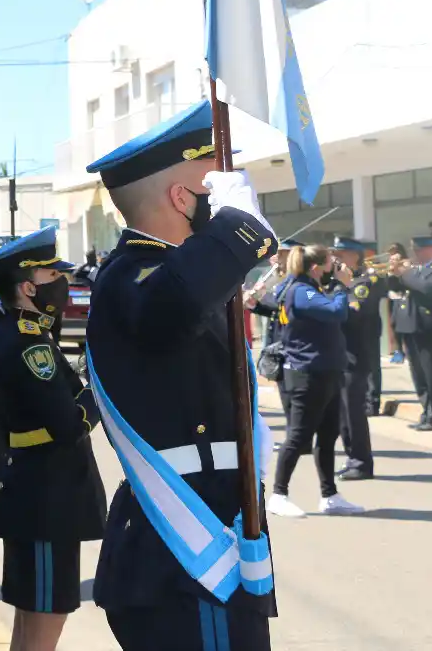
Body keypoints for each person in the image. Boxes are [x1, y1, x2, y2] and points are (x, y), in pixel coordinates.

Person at [83, 101, 277, 650]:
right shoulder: (134, 275)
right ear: (181, 198)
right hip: (184, 546)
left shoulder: (168, 273)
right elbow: (173, 306)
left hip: (212, 524)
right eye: (215, 187)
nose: (229, 197)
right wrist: (240, 231)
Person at [0, 226, 106, 651]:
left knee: (32, 618)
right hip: (47, 495)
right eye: (55, 278)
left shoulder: (25, 332)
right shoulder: (27, 342)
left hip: (36, 491)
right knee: (45, 615)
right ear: (29, 286)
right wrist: (98, 395)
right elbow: (68, 423)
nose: (64, 285)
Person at [266, 245, 365, 517]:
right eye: (330, 262)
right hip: (306, 373)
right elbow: (336, 312)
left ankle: (329, 495)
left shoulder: (310, 286)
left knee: (328, 434)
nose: (335, 266)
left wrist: (335, 283)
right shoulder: (301, 290)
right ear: (315, 267)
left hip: (326, 371)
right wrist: (344, 287)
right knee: (298, 437)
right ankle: (278, 493)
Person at [330, 236, 386, 481]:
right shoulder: (338, 283)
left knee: (354, 411)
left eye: (341, 255)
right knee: (342, 412)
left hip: (357, 353)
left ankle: (362, 462)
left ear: (355, 256)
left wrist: (342, 287)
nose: (337, 259)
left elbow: (353, 314)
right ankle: (352, 457)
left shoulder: (365, 282)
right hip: (340, 354)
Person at [388, 236, 432, 431]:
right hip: (413, 328)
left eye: (418, 250)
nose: (414, 253)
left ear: (429, 250)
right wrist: (394, 274)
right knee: (419, 376)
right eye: (413, 250)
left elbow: (427, 288)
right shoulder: (415, 270)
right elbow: (395, 289)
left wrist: (405, 273)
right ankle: (427, 412)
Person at [246, 238, 303, 431]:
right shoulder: (277, 277)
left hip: (293, 341)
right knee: (284, 390)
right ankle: (295, 432)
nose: (277, 259)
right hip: (277, 340)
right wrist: (253, 303)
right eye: (277, 255)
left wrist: (264, 296)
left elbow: (282, 306)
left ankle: (298, 435)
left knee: (295, 393)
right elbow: (274, 312)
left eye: (283, 255)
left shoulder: (296, 281)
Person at [383, 241, 409, 376]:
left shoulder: (405, 263)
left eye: (395, 252)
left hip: (403, 297)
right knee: (393, 324)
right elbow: (387, 284)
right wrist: (389, 271)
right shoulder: (390, 265)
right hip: (392, 298)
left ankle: (407, 349)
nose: (392, 255)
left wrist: (398, 268)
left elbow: (405, 280)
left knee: (405, 325)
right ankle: (398, 350)